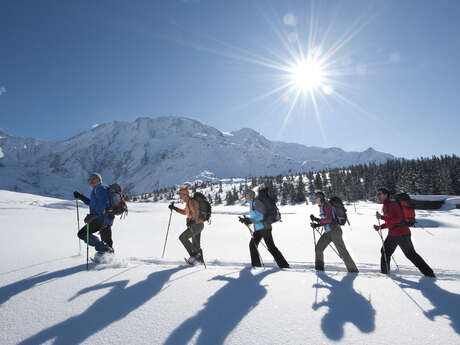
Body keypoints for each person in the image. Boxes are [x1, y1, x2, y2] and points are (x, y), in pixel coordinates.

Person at [374, 187, 435, 277]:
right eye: (377, 194)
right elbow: (390, 222)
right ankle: (385, 273)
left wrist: (382, 217)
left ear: (386, 195)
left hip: (401, 234)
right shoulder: (385, 205)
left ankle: (429, 273)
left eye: (380, 194)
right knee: (386, 251)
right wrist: (381, 226)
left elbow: (397, 219)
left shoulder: (393, 204)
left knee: (410, 254)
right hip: (393, 234)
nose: (378, 196)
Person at [239, 189, 289, 268]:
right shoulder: (252, 203)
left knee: (271, 247)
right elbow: (256, 216)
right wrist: (246, 220)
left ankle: (284, 265)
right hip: (259, 228)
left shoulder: (256, 202)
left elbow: (261, 216)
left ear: (250, 195)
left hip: (265, 228)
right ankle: (256, 265)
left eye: (246, 195)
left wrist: (250, 220)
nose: (245, 197)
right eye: (244, 195)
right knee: (253, 245)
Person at [310, 190, 358, 273]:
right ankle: (319, 270)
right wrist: (317, 225)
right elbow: (327, 220)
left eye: (316, 198)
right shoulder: (322, 206)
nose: (315, 199)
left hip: (335, 231)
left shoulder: (326, 205)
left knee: (342, 251)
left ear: (320, 198)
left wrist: (317, 220)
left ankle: (353, 271)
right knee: (319, 248)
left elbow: (329, 219)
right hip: (329, 232)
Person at [74, 172, 114, 260]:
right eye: (90, 180)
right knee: (107, 242)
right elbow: (92, 204)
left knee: (82, 233)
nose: (91, 181)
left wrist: (94, 214)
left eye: (93, 179)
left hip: (100, 219)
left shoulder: (100, 188)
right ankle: (109, 260)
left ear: (99, 180)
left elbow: (104, 203)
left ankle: (104, 250)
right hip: (107, 219)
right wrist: (81, 197)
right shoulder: (98, 189)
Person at [169, 187, 205, 265]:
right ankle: (198, 261)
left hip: (196, 225)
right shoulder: (188, 203)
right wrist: (174, 208)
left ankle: (195, 256)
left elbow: (196, 212)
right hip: (198, 225)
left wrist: (192, 221)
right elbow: (185, 212)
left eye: (181, 195)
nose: (180, 196)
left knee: (182, 237)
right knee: (196, 244)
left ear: (185, 194)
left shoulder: (191, 202)